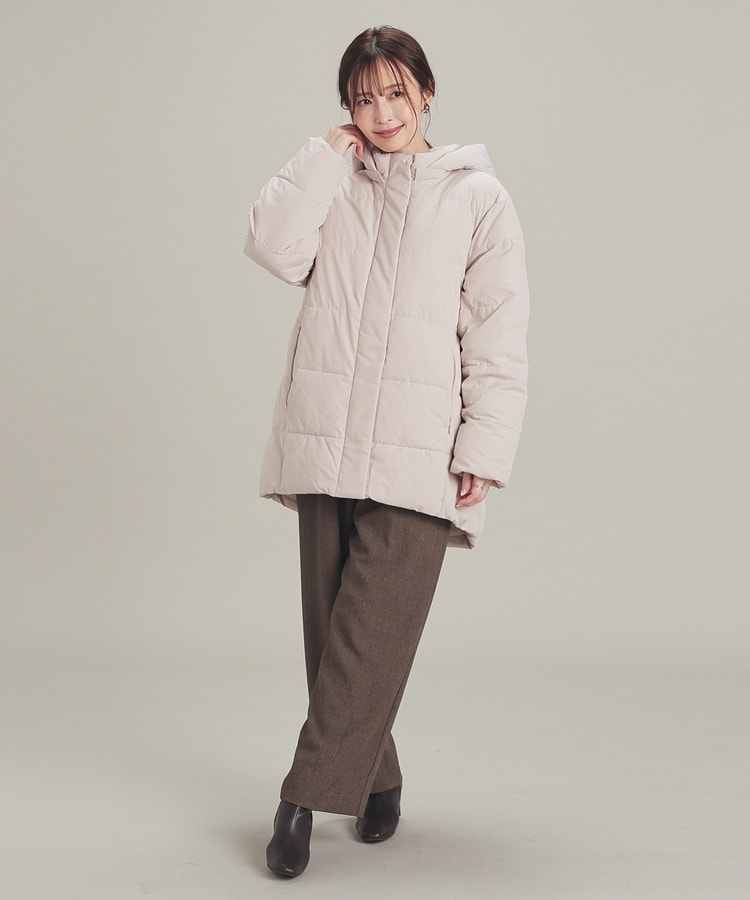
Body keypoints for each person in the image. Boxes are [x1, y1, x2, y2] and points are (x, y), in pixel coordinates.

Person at [243, 25, 529, 878]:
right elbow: (272, 246)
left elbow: (499, 333)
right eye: (363, 98)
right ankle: (380, 780)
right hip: (325, 435)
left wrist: (484, 446)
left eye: (396, 93)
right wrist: (324, 155)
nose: (381, 112)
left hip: (420, 450)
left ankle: (299, 801)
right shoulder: (337, 181)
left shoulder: (478, 198)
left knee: (370, 635)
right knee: (333, 635)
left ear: (426, 93)